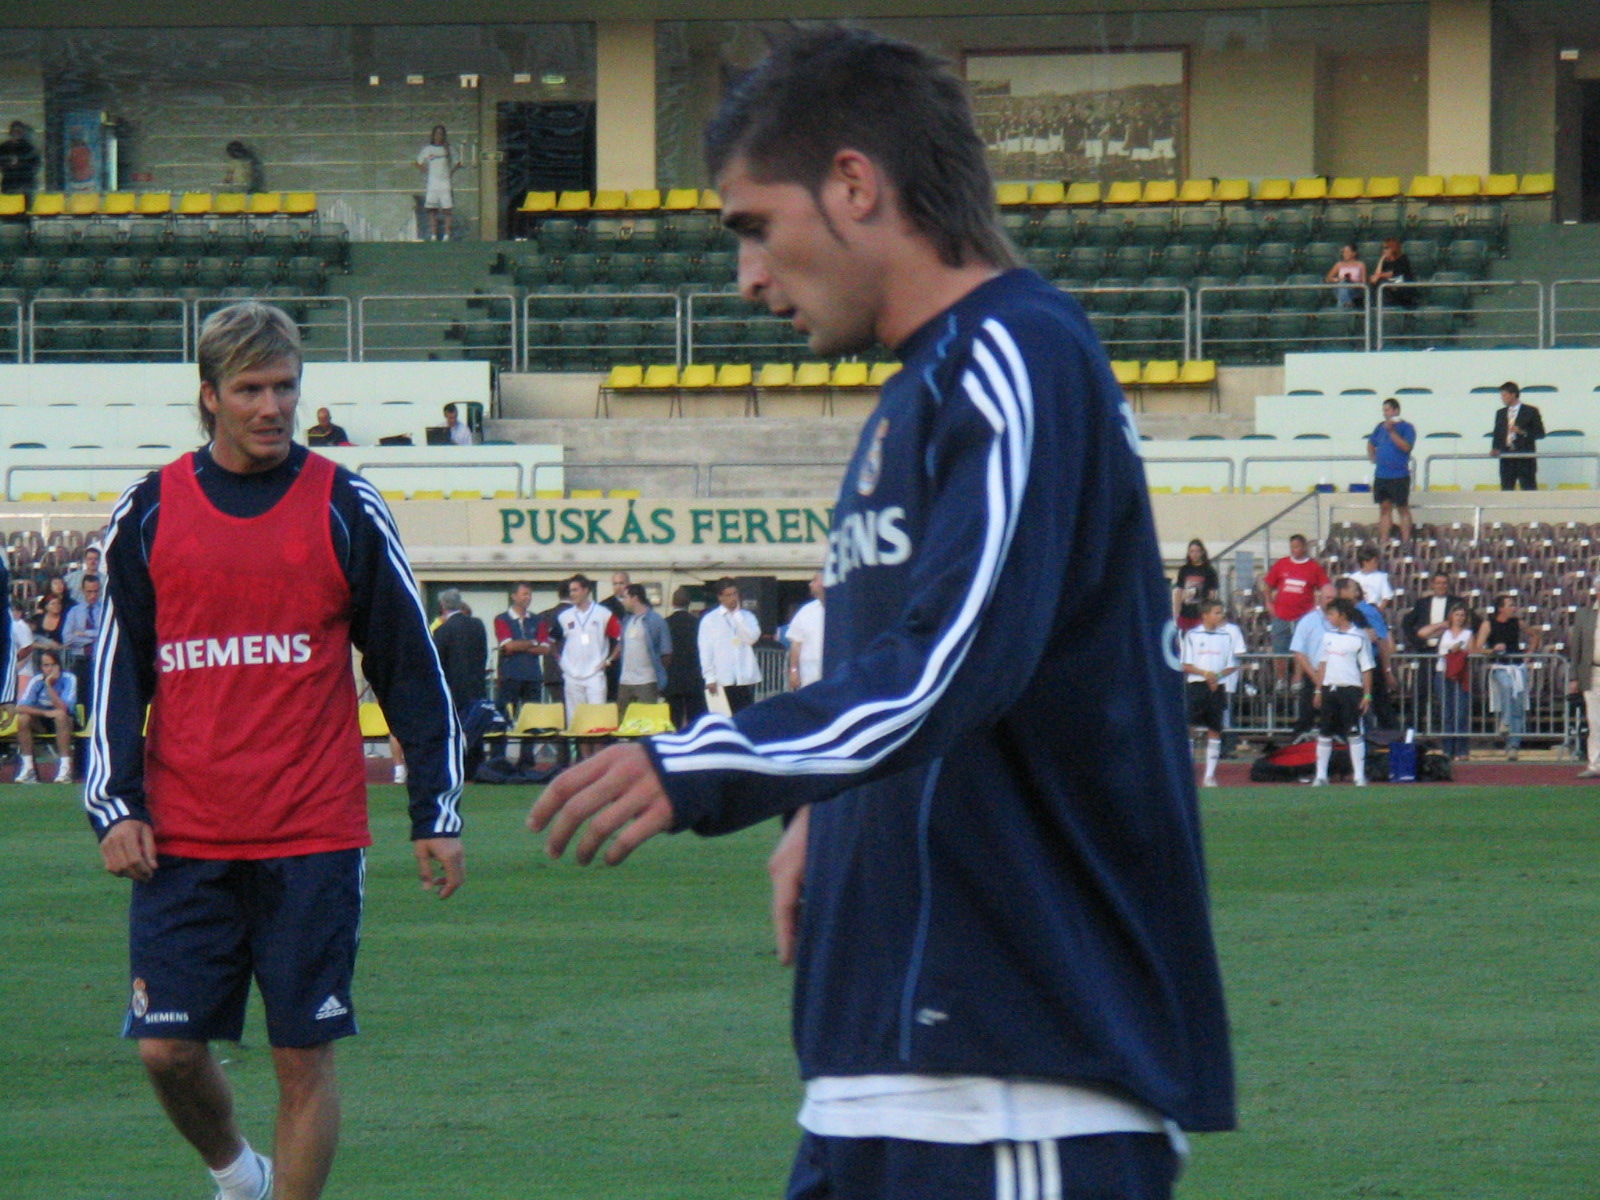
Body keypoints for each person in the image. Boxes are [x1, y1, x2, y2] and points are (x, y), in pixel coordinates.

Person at [528, 27, 1233, 1199]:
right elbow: (928, 684)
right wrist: (835, 811)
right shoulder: (921, 391)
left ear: (854, 184)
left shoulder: (1017, 355)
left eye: (755, 225)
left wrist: (704, 764)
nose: (747, 277)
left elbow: (955, 663)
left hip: (1015, 1085)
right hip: (876, 1073)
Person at [85, 301, 464, 1200]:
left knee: (304, 1059)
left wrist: (435, 810)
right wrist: (115, 804)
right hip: (184, 835)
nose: (272, 407)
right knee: (168, 1050)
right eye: (251, 389)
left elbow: (409, 666)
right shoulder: (150, 510)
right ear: (209, 396)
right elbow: (116, 673)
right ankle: (237, 1175)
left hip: (312, 833)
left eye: (285, 387)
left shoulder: (344, 504)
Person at [1309, 598, 1373, 787]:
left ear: (1343, 615)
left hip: (1351, 689)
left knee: (1353, 732)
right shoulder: (1328, 636)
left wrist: (1367, 695)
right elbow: (1323, 664)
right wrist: (1318, 690)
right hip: (1330, 688)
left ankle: (1359, 775)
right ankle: (1321, 775)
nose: (1328, 618)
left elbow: (1367, 668)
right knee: (1325, 732)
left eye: (1332, 614)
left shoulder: (1360, 637)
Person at [1181, 600, 1237, 788]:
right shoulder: (1192, 635)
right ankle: (1188, 772)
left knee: (1215, 728)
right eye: (1217, 612)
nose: (1221, 616)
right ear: (1205, 615)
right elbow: (1186, 664)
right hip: (1197, 685)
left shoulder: (1226, 636)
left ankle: (1209, 775)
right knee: (1189, 726)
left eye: (1221, 612)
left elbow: (1231, 665)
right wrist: (1206, 674)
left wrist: (1217, 676)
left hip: (1217, 687)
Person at [1263, 534, 1329, 690]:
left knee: (1300, 648)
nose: (1294, 550)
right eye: (1292, 547)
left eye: (1297, 547)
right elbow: (1268, 585)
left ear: (1304, 547)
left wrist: (1315, 607)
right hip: (1281, 615)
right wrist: (1268, 603)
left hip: (1303, 617)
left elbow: (1325, 587)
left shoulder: (1314, 567)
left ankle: (1297, 679)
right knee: (1279, 648)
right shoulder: (1282, 564)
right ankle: (1280, 679)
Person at [1478, 594, 1539, 761]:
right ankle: (1505, 720)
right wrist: (1492, 650)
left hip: (1517, 666)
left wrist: (1528, 655)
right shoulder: (1488, 624)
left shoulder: (1517, 622)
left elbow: (1534, 635)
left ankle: (1513, 745)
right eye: (1510, 605)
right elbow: (1477, 647)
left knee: (1518, 706)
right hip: (1500, 666)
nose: (1514, 608)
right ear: (1501, 608)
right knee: (1507, 686)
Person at [555, 574, 619, 727]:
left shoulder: (604, 614)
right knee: (576, 721)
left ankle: (597, 744)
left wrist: (609, 660)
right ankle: (579, 745)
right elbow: (550, 641)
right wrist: (561, 661)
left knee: (597, 720)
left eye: (575, 590)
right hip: (572, 675)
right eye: (570, 591)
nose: (572, 594)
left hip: (594, 674)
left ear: (586, 590)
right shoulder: (564, 616)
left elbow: (621, 639)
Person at [1401, 570, 1462, 730]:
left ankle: (1446, 729)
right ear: (1432, 585)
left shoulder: (1457, 602)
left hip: (1449, 653)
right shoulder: (1422, 603)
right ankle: (1414, 729)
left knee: (1447, 691)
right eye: (1438, 583)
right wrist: (1418, 642)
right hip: (1427, 651)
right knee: (1421, 690)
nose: (1441, 586)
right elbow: (1407, 623)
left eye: (1444, 583)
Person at [697, 578, 761, 715]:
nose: (733, 598)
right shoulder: (710, 620)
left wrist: (738, 617)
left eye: (735, 593)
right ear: (720, 597)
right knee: (724, 716)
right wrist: (709, 677)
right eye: (729, 595)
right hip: (723, 678)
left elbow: (751, 638)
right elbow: (706, 650)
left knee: (745, 716)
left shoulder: (747, 616)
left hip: (745, 677)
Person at [15, 648, 77, 783]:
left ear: (59, 665)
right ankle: (28, 768)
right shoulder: (36, 680)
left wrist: (49, 685)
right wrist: (46, 713)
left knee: (60, 716)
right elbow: (20, 707)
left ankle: (65, 768)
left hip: (65, 721)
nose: (49, 669)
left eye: (53, 665)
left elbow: (64, 708)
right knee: (23, 719)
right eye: (46, 665)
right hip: (42, 721)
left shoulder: (69, 679)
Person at [611, 584, 672, 709]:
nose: (623, 601)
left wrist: (659, 674)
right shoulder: (626, 620)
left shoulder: (655, 620)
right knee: (623, 717)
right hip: (625, 681)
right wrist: (609, 660)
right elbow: (621, 644)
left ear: (635, 598)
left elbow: (666, 651)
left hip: (647, 681)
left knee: (645, 717)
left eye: (625, 597)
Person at [494, 582, 547, 722]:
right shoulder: (502, 619)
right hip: (510, 676)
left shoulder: (538, 620)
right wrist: (533, 642)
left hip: (533, 676)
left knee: (532, 721)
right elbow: (509, 646)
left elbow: (545, 648)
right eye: (524, 594)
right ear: (514, 596)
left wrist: (521, 645)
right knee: (505, 718)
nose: (528, 598)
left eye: (530, 594)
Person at [1367, 399, 1415, 543]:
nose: (1385, 413)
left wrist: (1391, 431)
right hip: (1382, 475)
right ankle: (1384, 540)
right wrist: (1373, 456)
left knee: (1402, 508)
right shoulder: (1379, 427)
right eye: (1384, 410)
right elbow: (1371, 442)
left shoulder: (1407, 428)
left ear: (1396, 410)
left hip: (1399, 475)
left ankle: (1405, 541)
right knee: (1384, 508)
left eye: (1387, 410)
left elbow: (1406, 447)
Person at [432, 588, 488, 712]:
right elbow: (483, 653)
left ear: (442, 606)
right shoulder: (478, 625)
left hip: (454, 691)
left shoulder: (442, 630)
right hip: (477, 687)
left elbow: (438, 662)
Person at [662, 586, 706, 731]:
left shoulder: (665, 623)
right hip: (694, 677)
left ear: (672, 603)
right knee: (695, 720)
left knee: (673, 720)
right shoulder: (697, 623)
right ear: (689, 603)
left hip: (672, 677)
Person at [1435, 604, 1475, 759]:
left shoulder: (1468, 634)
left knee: (1460, 713)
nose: (1459, 618)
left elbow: (1472, 651)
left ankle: (1461, 750)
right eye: (1457, 614)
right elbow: (1423, 633)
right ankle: (1447, 749)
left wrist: (1460, 651)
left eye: (1462, 615)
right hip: (1443, 672)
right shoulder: (1444, 633)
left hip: (1460, 674)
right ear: (1451, 616)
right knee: (1447, 713)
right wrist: (1439, 625)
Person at [1489, 381, 1544, 492]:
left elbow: (1540, 433)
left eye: (1504, 395)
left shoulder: (1531, 411)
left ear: (1513, 394)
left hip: (1525, 458)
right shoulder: (1500, 413)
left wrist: (1522, 432)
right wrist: (1495, 447)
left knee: (1529, 489)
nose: (1502, 398)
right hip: (1506, 458)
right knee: (1506, 490)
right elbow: (1497, 433)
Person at [61, 572, 102, 716]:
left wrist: (84, 633)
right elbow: (67, 638)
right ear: (83, 591)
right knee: (81, 696)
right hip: (80, 660)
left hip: (98, 659)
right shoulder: (74, 611)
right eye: (89, 591)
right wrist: (94, 636)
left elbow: (104, 633)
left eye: (96, 591)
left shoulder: (105, 610)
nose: (93, 595)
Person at [1569, 598, 1600, 779]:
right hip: (1592, 673)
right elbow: (1577, 648)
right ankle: (1595, 764)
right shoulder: (1584, 614)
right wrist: (1574, 676)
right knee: (1595, 722)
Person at [415, 125, 461, 242]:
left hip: (445, 183)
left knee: (447, 209)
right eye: (437, 133)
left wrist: (450, 172)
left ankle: (447, 235)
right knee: (432, 209)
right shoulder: (428, 149)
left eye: (441, 133)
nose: (439, 136)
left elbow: (458, 162)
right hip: (433, 184)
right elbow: (418, 162)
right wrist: (427, 172)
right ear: (433, 135)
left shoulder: (448, 149)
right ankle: (433, 235)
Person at [786, 572, 826, 689]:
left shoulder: (842, 609)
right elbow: (796, 643)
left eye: (814, 580)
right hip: (810, 674)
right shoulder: (806, 611)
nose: (810, 584)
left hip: (836, 669)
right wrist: (793, 670)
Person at [1172, 539, 1218, 633]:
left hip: (1201, 615)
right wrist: (1176, 613)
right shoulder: (1184, 570)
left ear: (1202, 552)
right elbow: (1179, 592)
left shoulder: (1209, 570)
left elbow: (1212, 595)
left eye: (1197, 551)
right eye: (1192, 551)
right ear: (1188, 553)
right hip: (1185, 614)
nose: (1194, 554)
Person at [0, 121, 42, 199]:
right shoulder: (4, 147)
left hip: (27, 185)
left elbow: (35, 166)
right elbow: (2, 164)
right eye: (14, 131)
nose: (16, 134)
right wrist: (9, 165)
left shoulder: (30, 148)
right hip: (10, 184)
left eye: (19, 131)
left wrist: (19, 165)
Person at [1371, 238, 1416, 309]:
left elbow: (1394, 273)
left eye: (1386, 248)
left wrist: (1379, 275)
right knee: (1377, 283)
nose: (1384, 251)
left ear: (1393, 248)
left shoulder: (1403, 259)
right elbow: (1375, 277)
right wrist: (1381, 259)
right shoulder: (1386, 262)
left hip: (1402, 288)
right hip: (1389, 289)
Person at [1350, 545, 1394, 612]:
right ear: (1365, 562)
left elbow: (1386, 597)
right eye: (1374, 562)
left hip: (1375, 609)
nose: (1377, 564)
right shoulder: (1353, 578)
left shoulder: (1381, 577)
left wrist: (1378, 612)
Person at [1324, 243, 1367, 309]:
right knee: (1343, 285)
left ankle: (1342, 309)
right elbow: (1328, 278)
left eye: (1347, 252)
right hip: (1340, 285)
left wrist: (1354, 281)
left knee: (1343, 287)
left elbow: (1364, 282)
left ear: (1354, 253)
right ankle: (1347, 304)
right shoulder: (1339, 264)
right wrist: (1337, 279)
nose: (1344, 254)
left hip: (1355, 288)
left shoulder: (1360, 264)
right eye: (1343, 252)